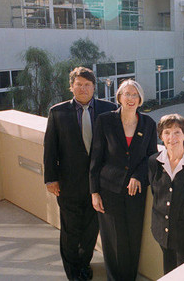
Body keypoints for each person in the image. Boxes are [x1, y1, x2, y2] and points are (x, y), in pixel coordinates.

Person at [44, 67, 117, 281]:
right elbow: (50, 148)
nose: (83, 88)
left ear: (94, 87)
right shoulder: (57, 112)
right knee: (70, 230)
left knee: (90, 229)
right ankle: (72, 271)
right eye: (79, 84)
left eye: (87, 84)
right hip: (68, 184)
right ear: (71, 87)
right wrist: (50, 178)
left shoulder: (109, 109)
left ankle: (84, 265)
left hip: (99, 185)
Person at [89, 79, 157, 281]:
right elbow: (96, 157)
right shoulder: (104, 120)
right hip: (108, 190)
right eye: (126, 94)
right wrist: (94, 192)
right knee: (113, 240)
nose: (130, 98)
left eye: (134, 94)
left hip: (135, 192)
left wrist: (138, 176)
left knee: (132, 238)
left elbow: (151, 157)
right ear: (119, 97)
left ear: (140, 99)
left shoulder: (149, 123)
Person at [149, 114, 184, 274]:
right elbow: (156, 193)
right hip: (162, 232)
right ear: (161, 136)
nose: (171, 137)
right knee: (168, 272)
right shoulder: (154, 162)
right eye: (166, 132)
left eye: (177, 132)